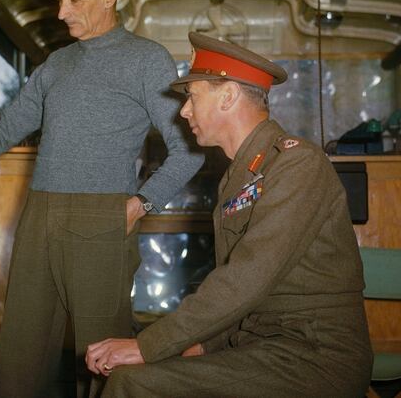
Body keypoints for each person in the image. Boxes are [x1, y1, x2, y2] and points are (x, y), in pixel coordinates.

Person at [0, 0, 203, 396]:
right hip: (39, 215)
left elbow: (189, 149)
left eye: (73, 1)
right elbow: (1, 132)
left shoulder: (147, 60)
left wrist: (141, 203)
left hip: (101, 218)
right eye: (60, 0)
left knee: (104, 359)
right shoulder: (56, 65)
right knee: (20, 354)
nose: (62, 13)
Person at [85, 32, 373, 397]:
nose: (184, 111)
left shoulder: (298, 165)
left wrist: (148, 346)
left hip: (313, 355)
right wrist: (200, 345)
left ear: (228, 96)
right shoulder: (239, 177)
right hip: (259, 344)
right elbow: (237, 289)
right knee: (124, 371)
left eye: (192, 96)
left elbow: (246, 278)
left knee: (132, 381)